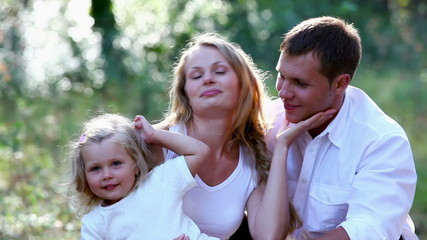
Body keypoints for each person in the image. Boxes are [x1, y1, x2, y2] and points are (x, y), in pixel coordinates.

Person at [268, 16, 418, 239]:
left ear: (340, 84)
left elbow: (370, 228)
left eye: (300, 83)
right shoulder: (269, 119)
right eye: (282, 76)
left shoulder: (382, 140)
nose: (283, 92)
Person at [154, 32, 299, 239]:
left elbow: (269, 236)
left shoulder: (254, 158)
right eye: (196, 76)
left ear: (243, 84)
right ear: (185, 92)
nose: (208, 79)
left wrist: (282, 145)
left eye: (220, 71)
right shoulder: (157, 145)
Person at [65, 113, 218, 239]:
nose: (107, 175)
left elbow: (199, 151)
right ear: (84, 175)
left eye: (116, 163)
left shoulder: (159, 181)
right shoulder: (95, 224)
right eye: (95, 168)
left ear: (137, 165)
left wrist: (154, 135)